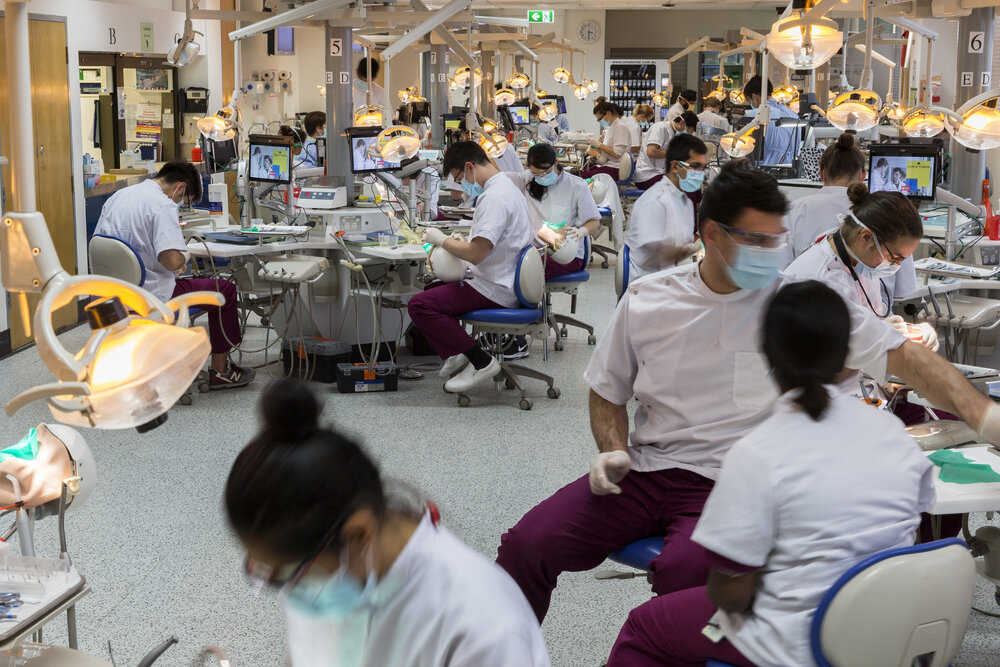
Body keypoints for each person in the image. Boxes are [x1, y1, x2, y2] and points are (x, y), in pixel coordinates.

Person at [495, 159, 996, 628]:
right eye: (756, 240)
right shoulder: (649, 300)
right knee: (526, 546)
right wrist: (612, 450)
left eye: (775, 240)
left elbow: (906, 357)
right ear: (711, 234)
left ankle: (677, 646)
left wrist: (983, 415)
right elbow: (607, 389)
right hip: (644, 472)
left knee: (686, 574)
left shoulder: (792, 304)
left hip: (728, 483)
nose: (771, 253)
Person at [606, 280, 936, 667]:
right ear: (847, 354)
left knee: (645, 626)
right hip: (887, 627)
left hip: (801, 637)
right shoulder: (891, 432)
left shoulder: (759, 452)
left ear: (767, 355)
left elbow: (731, 594)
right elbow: (920, 510)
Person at [225, 379, 550, 667]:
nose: (288, 591)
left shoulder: (482, 628)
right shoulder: (314, 567)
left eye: (285, 574)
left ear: (360, 533)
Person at [94, 162, 253, 389]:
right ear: (180, 188)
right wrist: (184, 256)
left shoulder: (119, 197)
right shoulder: (162, 205)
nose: (179, 205)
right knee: (225, 290)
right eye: (184, 201)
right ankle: (221, 371)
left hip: (113, 295)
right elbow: (171, 262)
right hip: (153, 296)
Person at [407, 141, 532, 393]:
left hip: (495, 288)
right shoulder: (506, 187)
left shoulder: (494, 197)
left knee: (419, 305)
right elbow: (486, 245)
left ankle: (481, 361)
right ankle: (457, 351)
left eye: (458, 178)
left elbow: (475, 254)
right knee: (431, 290)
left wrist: (440, 240)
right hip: (501, 277)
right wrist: (460, 243)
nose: (461, 184)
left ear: (469, 167)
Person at [785, 183, 937, 353]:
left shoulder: (858, 260)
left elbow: (864, 321)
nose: (895, 266)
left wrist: (906, 331)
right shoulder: (820, 280)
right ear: (865, 237)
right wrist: (877, 336)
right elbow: (827, 354)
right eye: (894, 258)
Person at [505, 143, 602, 279]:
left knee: (520, 272)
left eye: (546, 172)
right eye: (537, 174)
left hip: (565, 254)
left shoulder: (576, 186)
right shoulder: (526, 179)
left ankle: (527, 299)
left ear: (556, 162)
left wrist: (581, 232)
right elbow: (495, 178)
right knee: (504, 263)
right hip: (535, 250)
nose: (542, 177)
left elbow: (594, 221)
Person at [624, 134, 707, 279]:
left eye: (703, 168)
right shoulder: (654, 202)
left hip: (668, 275)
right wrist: (692, 248)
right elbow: (650, 258)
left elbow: (685, 240)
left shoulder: (685, 201)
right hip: (646, 281)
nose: (700, 174)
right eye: (695, 167)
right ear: (675, 166)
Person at [743, 75, 798, 165]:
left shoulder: (756, 115)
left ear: (754, 97)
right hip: (790, 168)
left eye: (750, 100)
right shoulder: (793, 114)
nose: (751, 104)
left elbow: (748, 148)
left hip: (764, 169)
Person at [581, 98, 630, 179]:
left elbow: (616, 154)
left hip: (616, 168)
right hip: (609, 165)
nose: (600, 122)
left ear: (608, 113)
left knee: (582, 177)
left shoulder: (620, 127)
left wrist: (598, 144)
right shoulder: (611, 127)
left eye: (600, 119)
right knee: (581, 172)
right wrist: (596, 150)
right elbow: (608, 149)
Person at [632, 111, 676, 190]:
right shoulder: (660, 128)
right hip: (647, 176)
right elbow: (651, 152)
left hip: (653, 172)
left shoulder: (669, 131)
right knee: (678, 185)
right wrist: (673, 153)